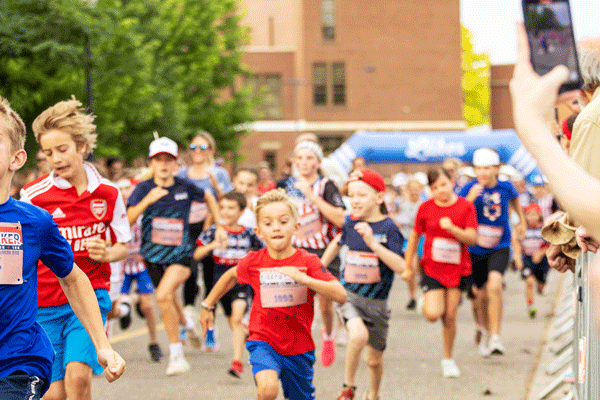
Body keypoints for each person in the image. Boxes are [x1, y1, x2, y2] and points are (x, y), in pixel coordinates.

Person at [0, 96, 125, 400]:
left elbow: (73, 277)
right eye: (48, 152)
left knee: (78, 377)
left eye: (63, 149)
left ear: (16, 159)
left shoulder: (34, 221)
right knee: (55, 395)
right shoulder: (36, 194)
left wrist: (104, 346)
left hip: (17, 360)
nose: (56, 158)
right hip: (44, 305)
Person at [199, 189, 346, 400]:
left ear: (296, 227)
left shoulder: (308, 262)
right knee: (267, 390)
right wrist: (207, 305)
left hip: (299, 347)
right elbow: (231, 276)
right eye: (268, 223)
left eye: (283, 221)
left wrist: (305, 280)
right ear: (259, 232)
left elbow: (340, 294)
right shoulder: (254, 261)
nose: (276, 227)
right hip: (263, 341)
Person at [127, 136, 219, 376]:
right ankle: (188, 324)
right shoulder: (144, 188)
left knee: (164, 294)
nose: (164, 164)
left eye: (168, 159)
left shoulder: (185, 186)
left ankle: (176, 355)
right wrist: (147, 200)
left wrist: (217, 225)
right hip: (154, 256)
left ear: (176, 163)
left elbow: (209, 197)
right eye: (159, 159)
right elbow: (127, 220)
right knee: (169, 300)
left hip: (182, 253)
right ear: (151, 163)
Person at [320, 169, 405, 400]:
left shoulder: (389, 228)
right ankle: (348, 388)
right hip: (349, 297)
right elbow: (338, 242)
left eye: (361, 195)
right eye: (351, 196)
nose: (354, 201)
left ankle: (373, 394)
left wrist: (373, 244)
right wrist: (319, 267)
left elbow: (401, 267)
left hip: (377, 304)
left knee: (374, 360)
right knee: (357, 336)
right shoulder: (350, 223)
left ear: (379, 197)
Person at [402, 168, 477, 378]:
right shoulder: (425, 208)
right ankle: (425, 301)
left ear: (452, 181)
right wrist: (408, 266)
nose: (439, 191)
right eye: (434, 188)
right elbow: (414, 237)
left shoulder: (465, 206)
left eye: (443, 185)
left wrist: (453, 229)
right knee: (433, 315)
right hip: (432, 268)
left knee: (450, 316)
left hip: (457, 268)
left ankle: (448, 358)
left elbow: (472, 238)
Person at [277, 140, 346, 367]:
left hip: (323, 251)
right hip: (294, 250)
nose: (304, 163)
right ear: (294, 162)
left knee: (325, 303)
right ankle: (296, 345)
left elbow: (340, 219)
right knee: (293, 301)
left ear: (317, 162)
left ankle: (328, 336)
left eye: (309, 158)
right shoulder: (285, 185)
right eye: (300, 158)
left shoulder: (327, 185)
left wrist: (312, 197)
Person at [458, 147, 525, 357]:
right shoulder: (468, 188)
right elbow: (457, 213)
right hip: (475, 248)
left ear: (496, 169)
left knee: (495, 286)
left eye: (487, 168)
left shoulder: (506, 187)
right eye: (478, 169)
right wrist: (469, 198)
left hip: (500, 245)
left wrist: (521, 222)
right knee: (480, 296)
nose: (482, 173)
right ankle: (485, 330)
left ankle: (496, 336)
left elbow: (515, 202)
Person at [194, 191, 264, 375]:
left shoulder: (249, 233)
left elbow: (264, 252)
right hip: (220, 285)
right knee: (234, 325)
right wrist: (212, 246)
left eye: (231, 208)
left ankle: (237, 362)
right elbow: (197, 254)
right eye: (222, 207)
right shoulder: (214, 232)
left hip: (241, 283)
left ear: (241, 211)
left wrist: (252, 259)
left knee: (237, 318)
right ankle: (251, 344)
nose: (226, 212)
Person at [178, 131, 232, 340]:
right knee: (188, 270)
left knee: (210, 276)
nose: (197, 152)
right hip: (186, 228)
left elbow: (228, 201)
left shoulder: (218, 173)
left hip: (210, 227)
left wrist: (217, 188)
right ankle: (188, 318)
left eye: (202, 148)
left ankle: (209, 325)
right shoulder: (182, 174)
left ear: (211, 150)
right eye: (193, 148)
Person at [115, 176, 163, 362]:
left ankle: (153, 343)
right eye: (121, 188)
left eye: (128, 188)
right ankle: (128, 304)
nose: (125, 192)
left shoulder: (143, 212)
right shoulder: (112, 212)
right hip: (121, 264)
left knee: (148, 306)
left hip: (141, 263)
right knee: (113, 309)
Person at [513, 203, 549, 319]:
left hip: (541, 260)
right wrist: (517, 257)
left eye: (535, 214)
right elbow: (517, 244)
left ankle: (541, 286)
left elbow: (549, 245)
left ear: (539, 216)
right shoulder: (522, 229)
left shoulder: (544, 229)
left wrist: (540, 253)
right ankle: (530, 305)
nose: (532, 217)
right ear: (525, 216)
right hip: (527, 259)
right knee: (529, 282)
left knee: (541, 284)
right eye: (529, 214)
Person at [395, 177, 424, 310]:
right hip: (408, 238)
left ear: (420, 190)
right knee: (411, 267)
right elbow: (398, 220)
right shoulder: (403, 205)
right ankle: (412, 296)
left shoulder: (424, 204)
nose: (414, 192)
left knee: (423, 267)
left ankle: (424, 289)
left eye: (416, 189)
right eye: (411, 189)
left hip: (422, 239)